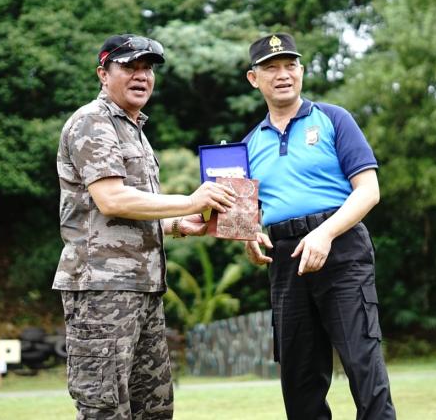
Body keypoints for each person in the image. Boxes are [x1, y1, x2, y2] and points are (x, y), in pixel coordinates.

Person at [54, 34, 236, 420]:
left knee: (153, 409)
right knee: (105, 409)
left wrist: (176, 223)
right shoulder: (93, 121)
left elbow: (123, 213)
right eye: (130, 66)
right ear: (103, 73)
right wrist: (191, 200)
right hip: (101, 289)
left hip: (144, 289)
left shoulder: (134, 128)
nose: (142, 76)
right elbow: (112, 199)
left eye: (148, 68)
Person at [242, 33, 396, 420]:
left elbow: (369, 191)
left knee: (363, 365)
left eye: (290, 65)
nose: (283, 74)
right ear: (253, 78)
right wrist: (248, 234)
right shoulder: (247, 145)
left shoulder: (334, 118)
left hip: (341, 248)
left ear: (302, 71)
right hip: (285, 260)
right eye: (271, 68)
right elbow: (247, 215)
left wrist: (325, 233)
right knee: (299, 378)